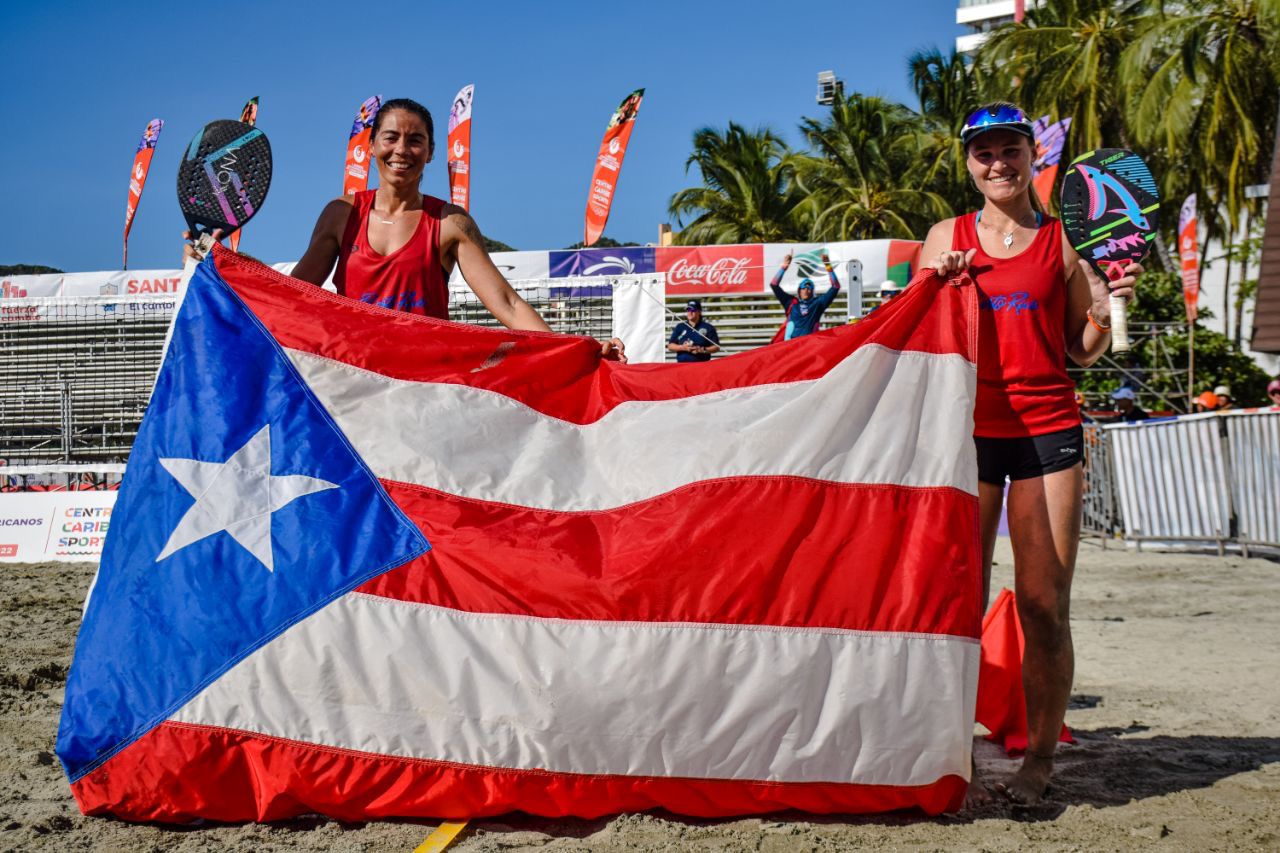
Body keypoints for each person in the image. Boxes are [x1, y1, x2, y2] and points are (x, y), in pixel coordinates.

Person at [920, 102, 1143, 807]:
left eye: (1009, 149)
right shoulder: (943, 237)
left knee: (1045, 605)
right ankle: (951, 753)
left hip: (1049, 434)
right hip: (967, 437)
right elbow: (914, 333)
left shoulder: (1061, 246)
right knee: (958, 603)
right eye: (983, 152)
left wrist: (1108, 311)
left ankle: (1039, 761)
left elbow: (1081, 349)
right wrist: (937, 282)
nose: (998, 163)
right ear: (969, 164)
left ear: (1029, 156)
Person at [184, 98, 623, 360]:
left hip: (425, 385)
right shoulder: (341, 213)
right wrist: (229, 266)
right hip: (356, 381)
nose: (402, 150)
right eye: (391, 137)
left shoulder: (451, 223)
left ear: (430, 152)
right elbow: (298, 294)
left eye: (416, 140)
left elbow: (507, 304)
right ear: (372, 145)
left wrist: (578, 348)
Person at [770, 252, 840, 340]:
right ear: (799, 290)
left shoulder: (818, 303)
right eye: (803, 288)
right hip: (791, 345)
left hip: (809, 346)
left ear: (812, 291)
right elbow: (774, 284)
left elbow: (835, 287)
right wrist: (784, 267)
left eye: (809, 288)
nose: (806, 290)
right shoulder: (791, 303)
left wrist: (828, 266)